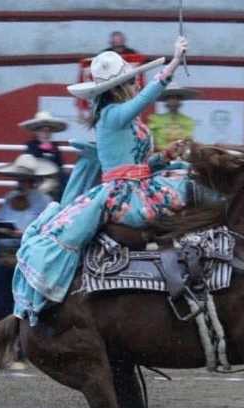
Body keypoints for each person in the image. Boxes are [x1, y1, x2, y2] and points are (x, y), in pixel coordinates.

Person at [12, 36, 191, 324]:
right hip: (123, 195)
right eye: (132, 82)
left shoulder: (126, 119)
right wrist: (173, 63)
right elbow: (148, 97)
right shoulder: (111, 115)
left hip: (140, 186)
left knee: (186, 174)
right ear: (119, 88)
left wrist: (166, 156)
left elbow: (141, 165)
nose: (136, 86)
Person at [0, 154, 56, 369]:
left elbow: (48, 229)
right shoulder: (8, 199)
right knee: (1, 307)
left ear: (33, 181)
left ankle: (19, 353)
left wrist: (23, 234)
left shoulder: (45, 202)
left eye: (24, 179)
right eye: (18, 179)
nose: (20, 183)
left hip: (29, 261)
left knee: (23, 307)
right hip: (7, 257)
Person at [19, 111, 70, 200]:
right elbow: (31, 163)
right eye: (42, 130)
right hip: (37, 177)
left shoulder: (55, 147)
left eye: (48, 130)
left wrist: (55, 178)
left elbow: (59, 165)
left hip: (55, 179)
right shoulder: (31, 145)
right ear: (36, 131)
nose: (45, 133)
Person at [147, 82, 199, 150]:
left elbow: (187, 141)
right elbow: (150, 143)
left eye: (176, 98)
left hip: (180, 157)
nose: (173, 101)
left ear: (180, 100)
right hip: (159, 157)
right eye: (170, 98)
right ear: (166, 100)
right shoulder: (155, 119)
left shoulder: (188, 121)